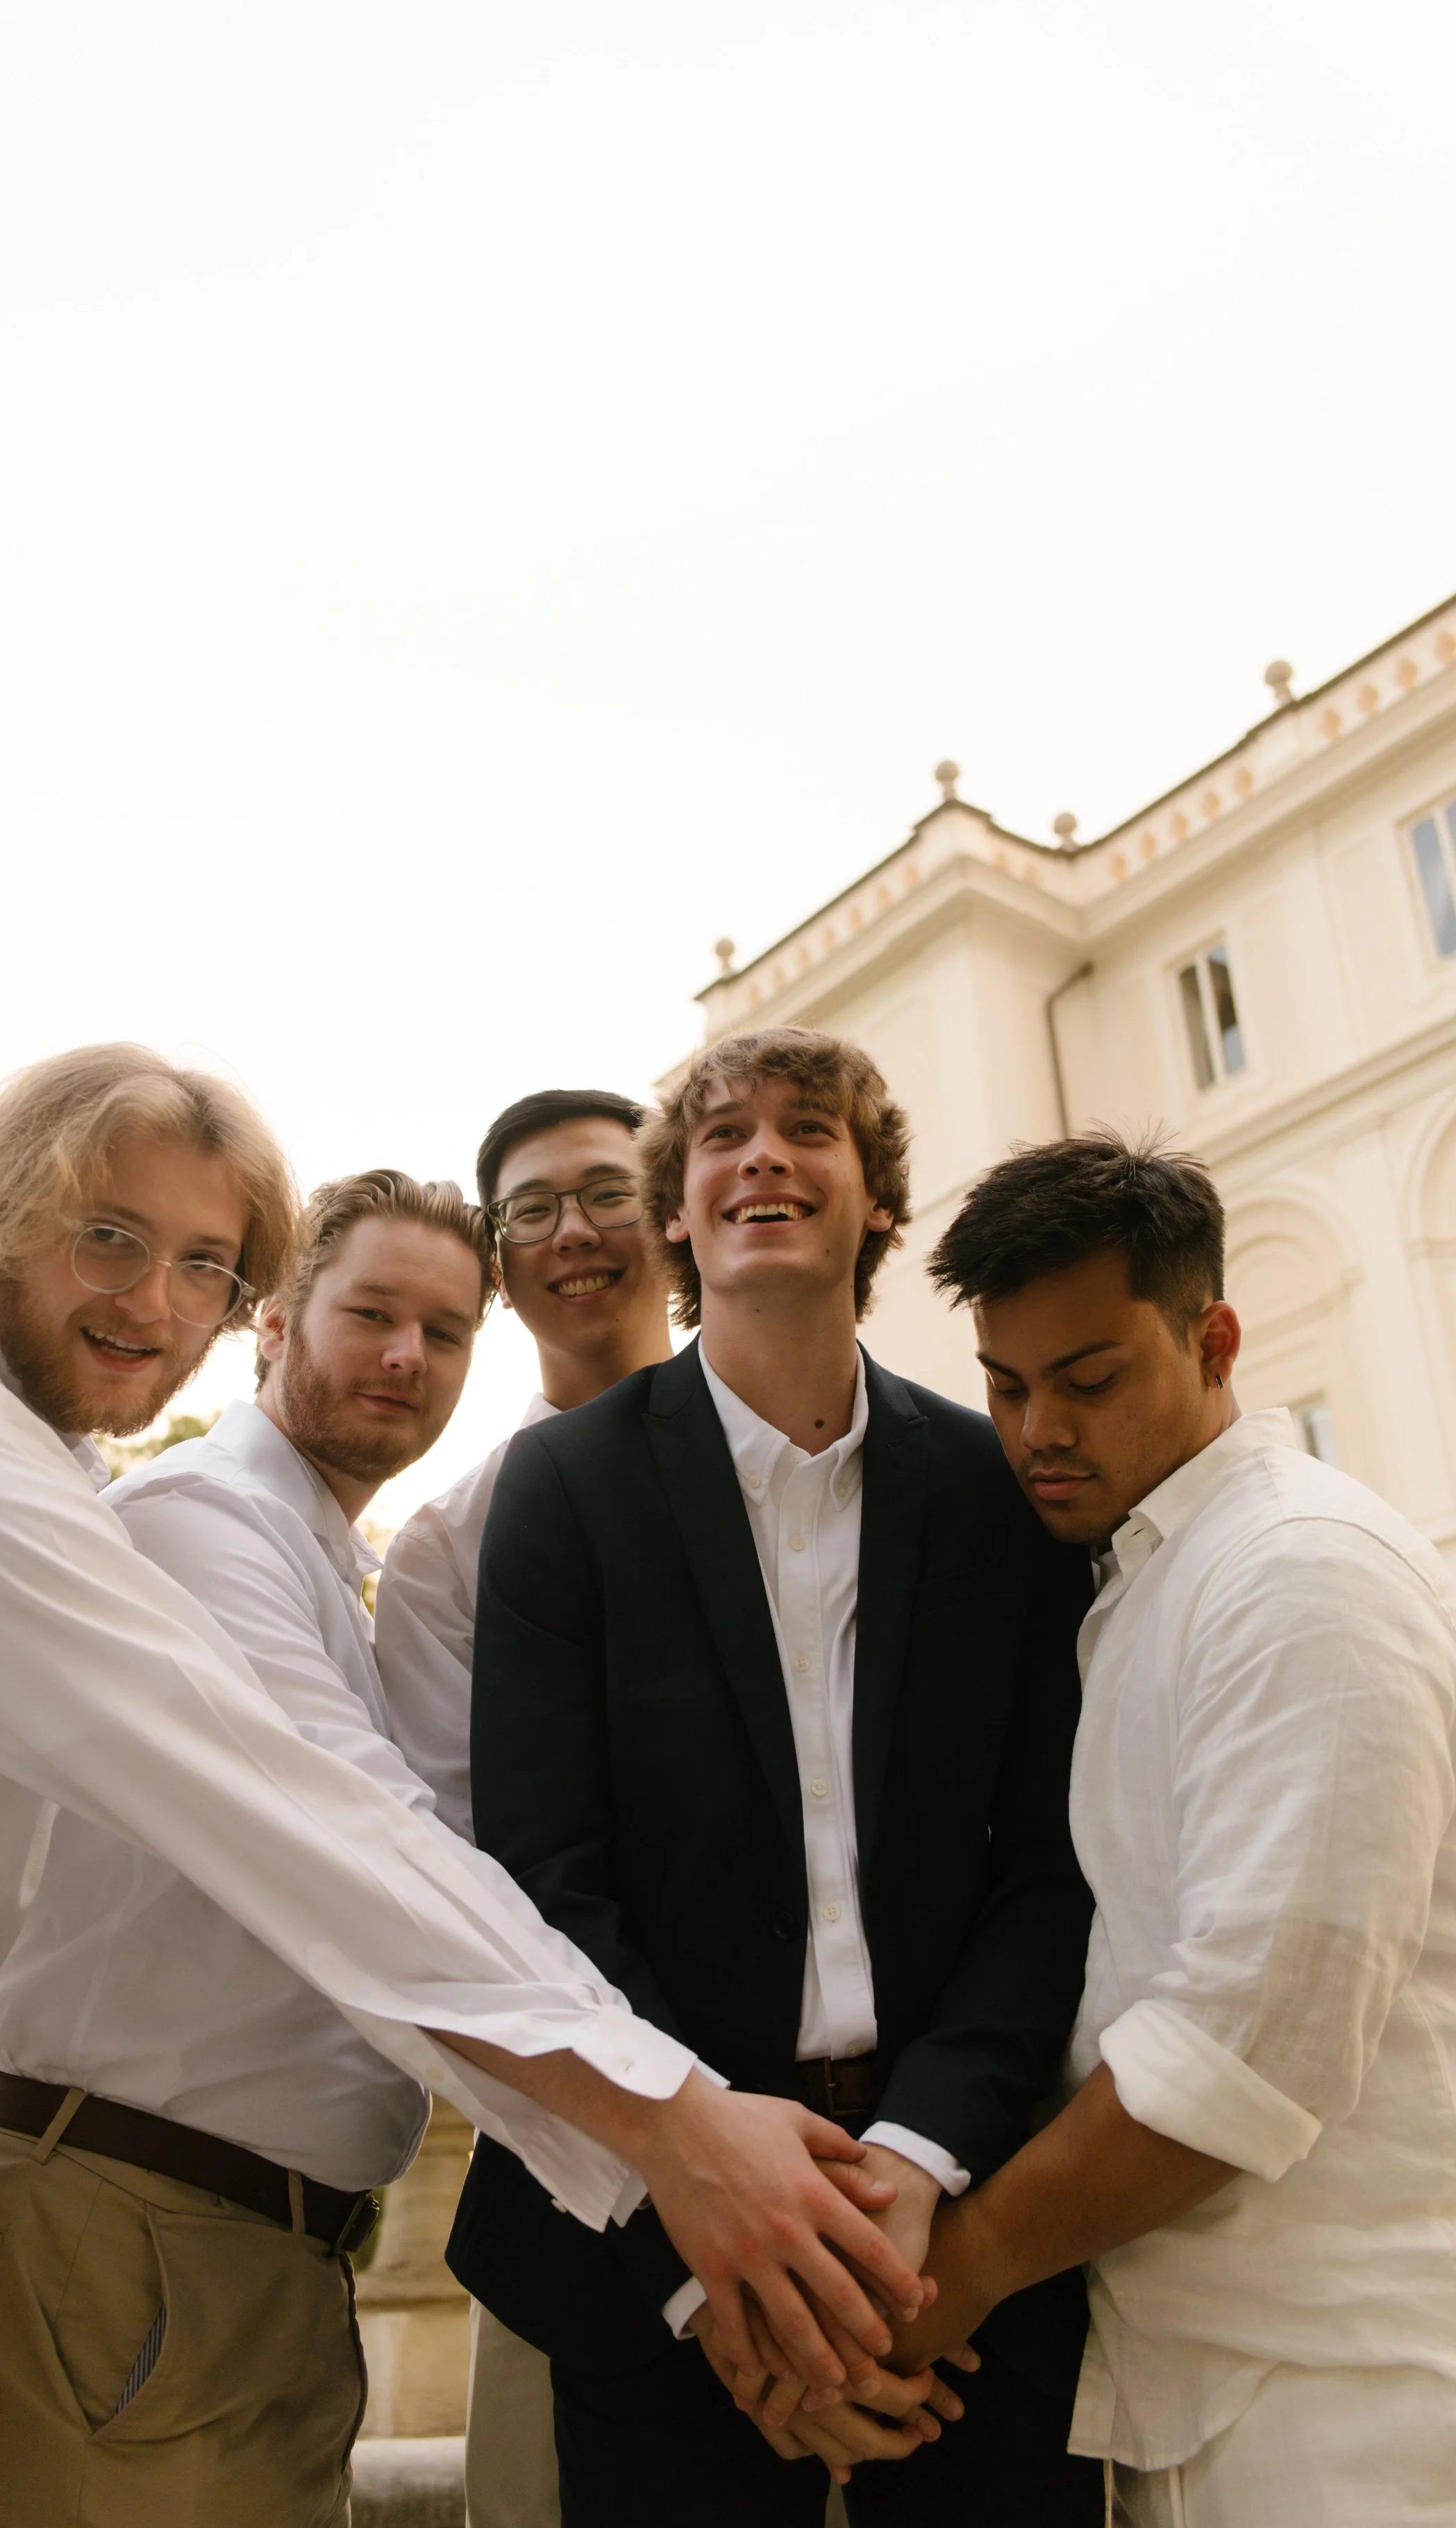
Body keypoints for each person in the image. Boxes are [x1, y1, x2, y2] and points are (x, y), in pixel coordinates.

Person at [0, 1045, 927, 2528]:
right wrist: (677, 2140)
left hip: (153, 2232)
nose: (152, 1301)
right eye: (106, 1235)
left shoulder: (191, 1517)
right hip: (93, 2223)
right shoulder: (43, 1492)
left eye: (200, 1262)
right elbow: (320, 1835)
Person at [448, 1026, 1103, 2526]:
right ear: (675, 1211)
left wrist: (917, 2158)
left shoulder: (991, 1492)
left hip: (948, 2210)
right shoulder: (562, 1490)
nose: (762, 1156)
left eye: (808, 1130)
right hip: (651, 2248)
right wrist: (714, 2249)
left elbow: (1047, 1869)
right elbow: (543, 1885)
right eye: (720, 1136)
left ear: (875, 1200)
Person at [0, 1167, 543, 2525]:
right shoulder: (197, 1528)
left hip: (249, 2252)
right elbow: (371, 1863)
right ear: (275, 1323)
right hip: (109, 2230)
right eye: (368, 1311)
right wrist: (679, 2141)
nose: (406, 1356)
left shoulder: (323, 1571)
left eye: (446, 1329)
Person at [887, 1130, 1456, 2526]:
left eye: (1086, 1382)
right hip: (1202, 2374)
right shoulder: (1150, 1575)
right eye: (1004, 1386)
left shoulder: (1295, 1575)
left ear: (1210, 1337)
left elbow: (1241, 2049)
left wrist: (948, 2276)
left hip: (1345, 2393)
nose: (1036, 1432)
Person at [375, 1089, 675, 2528]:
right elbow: (462, 1885)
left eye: (607, 1192)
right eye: (530, 1212)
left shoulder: (828, 1468)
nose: (572, 1234)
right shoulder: (449, 1546)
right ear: (498, 1267)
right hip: (582, 2181)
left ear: (674, 1215)